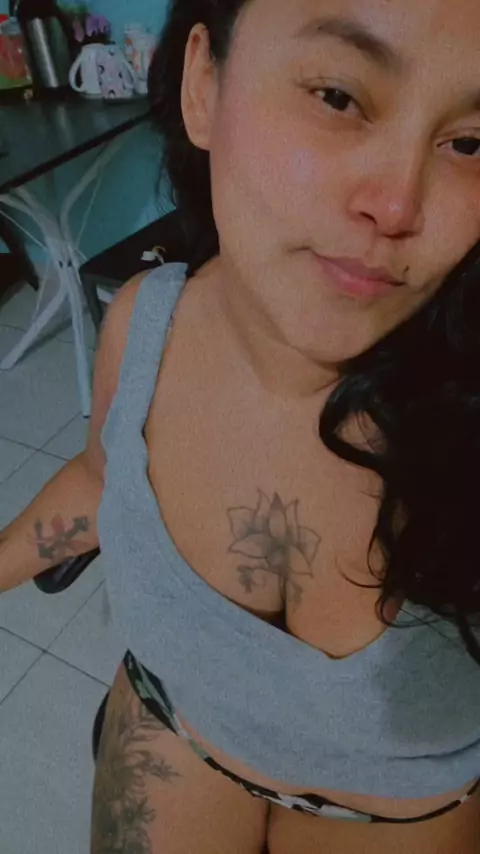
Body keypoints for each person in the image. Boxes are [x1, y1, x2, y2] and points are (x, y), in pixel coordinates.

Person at [1, 0, 480, 850]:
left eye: (471, 144)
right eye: (338, 96)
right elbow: (103, 478)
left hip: (394, 812)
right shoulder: (142, 328)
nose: (396, 204)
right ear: (204, 83)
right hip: (176, 735)